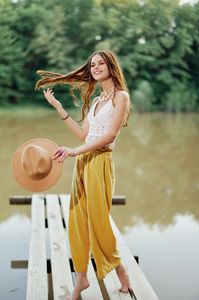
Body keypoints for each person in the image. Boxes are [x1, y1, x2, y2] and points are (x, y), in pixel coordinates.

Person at [35, 50, 133, 300]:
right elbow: (83, 135)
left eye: (101, 63)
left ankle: (120, 270)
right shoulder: (99, 100)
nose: (96, 67)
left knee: (98, 220)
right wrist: (58, 107)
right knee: (77, 221)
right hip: (83, 161)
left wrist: (74, 151)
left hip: (100, 162)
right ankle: (82, 277)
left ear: (111, 66)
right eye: (92, 65)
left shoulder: (121, 97)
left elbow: (109, 136)